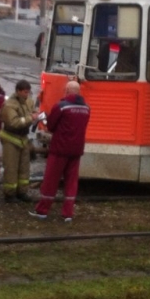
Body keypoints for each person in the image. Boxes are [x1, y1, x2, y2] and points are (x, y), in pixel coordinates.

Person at [30, 81, 91, 222]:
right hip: (76, 150)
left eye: (65, 89)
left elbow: (51, 126)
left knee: (51, 180)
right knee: (71, 182)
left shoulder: (61, 106)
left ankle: (42, 211)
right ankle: (68, 214)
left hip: (60, 149)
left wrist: (45, 120)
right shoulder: (87, 108)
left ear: (68, 90)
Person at [0, 79, 36, 202]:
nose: (27, 95)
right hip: (11, 138)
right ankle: (9, 194)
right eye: (25, 92)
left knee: (24, 168)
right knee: (11, 168)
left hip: (23, 138)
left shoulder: (28, 101)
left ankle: (22, 192)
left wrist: (36, 116)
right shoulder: (9, 105)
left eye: (28, 92)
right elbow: (13, 122)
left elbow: (32, 111)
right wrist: (31, 118)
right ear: (18, 91)